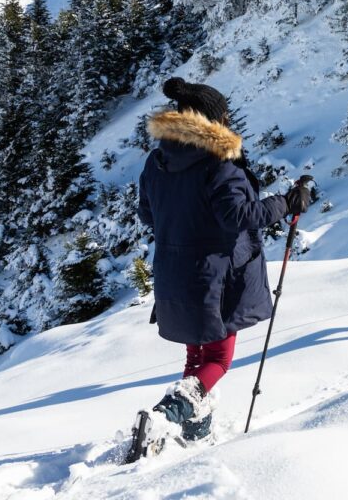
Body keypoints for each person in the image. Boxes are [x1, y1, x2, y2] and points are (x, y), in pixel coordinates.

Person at [133, 77, 311, 451]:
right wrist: (286, 203)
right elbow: (240, 215)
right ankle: (166, 415)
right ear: (213, 121)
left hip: (173, 273)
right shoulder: (218, 162)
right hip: (215, 277)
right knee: (217, 357)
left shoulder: (159, 160)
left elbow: (148, 215)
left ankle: (193, 433)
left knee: (196, 354)